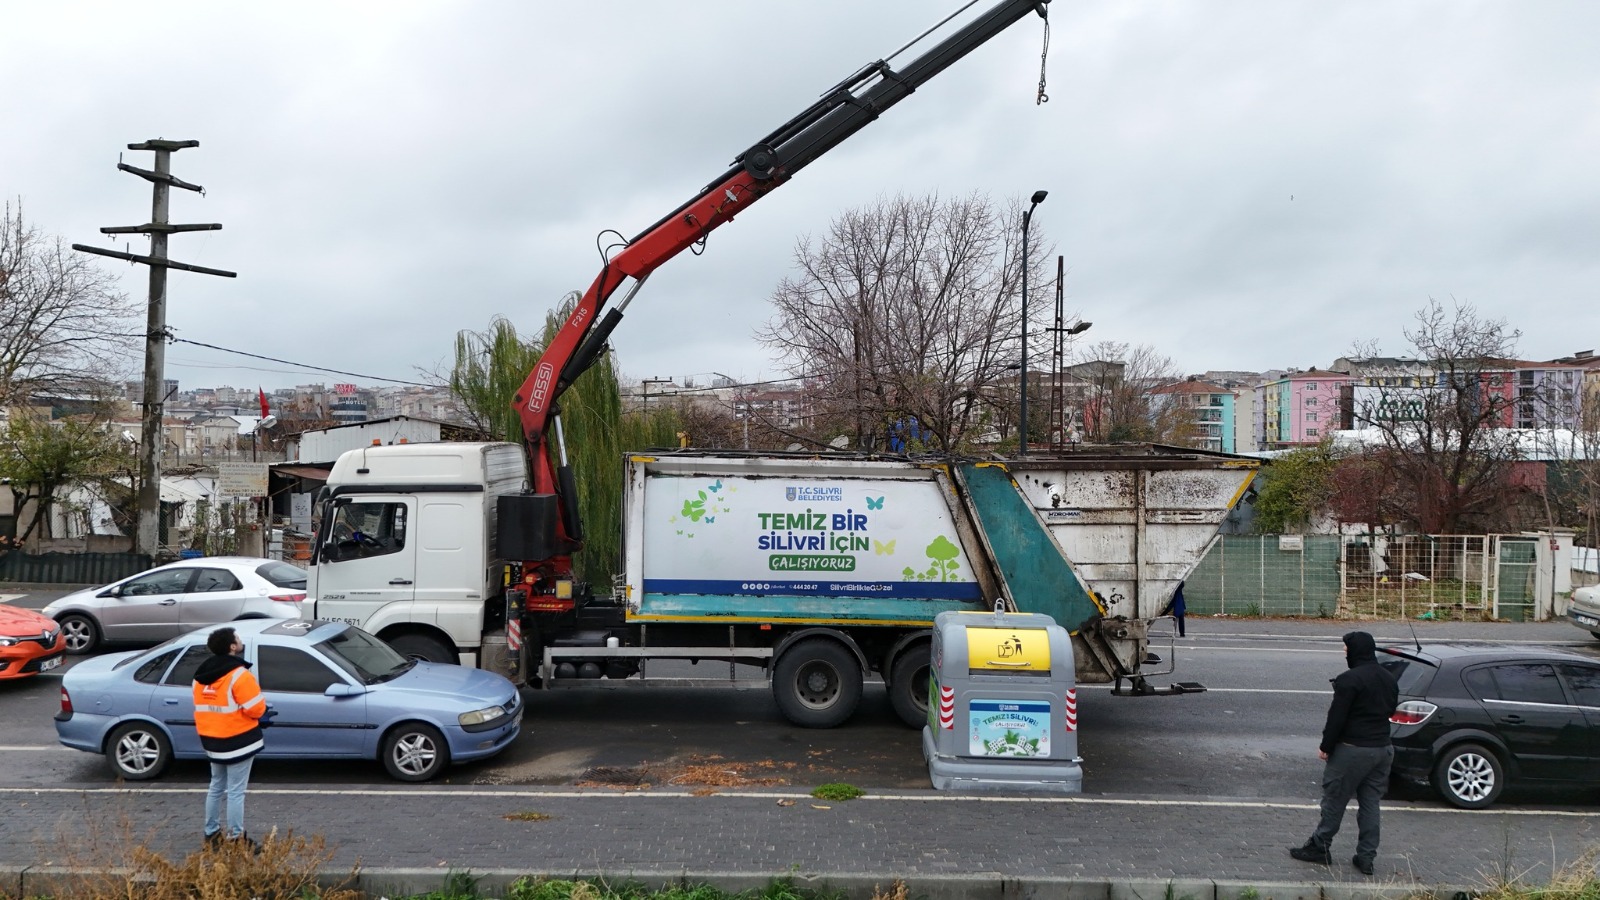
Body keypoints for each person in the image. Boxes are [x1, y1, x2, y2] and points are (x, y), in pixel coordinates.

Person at [1289, 631, 1399, 876]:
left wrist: (1326, 747)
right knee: (1370, 804)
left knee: (1334, 800)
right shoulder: (1389, 678)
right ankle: (1366, 857)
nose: (1344, 652)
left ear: (1356, 650)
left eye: (1346, 648)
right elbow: (1391, 709)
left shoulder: (1349, 680)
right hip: (1382, 749)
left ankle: (1320, 847)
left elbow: (1337, 718)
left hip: (1353, 749)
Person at [192, 626, 272, 850]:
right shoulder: (239, 675)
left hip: (212, 740)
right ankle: (236, 838)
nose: (240, 639)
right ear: (232, 647)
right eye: (237, 637)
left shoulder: (200, 677)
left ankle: (211, 834)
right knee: (236, 791)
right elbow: (256, 709)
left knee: (216, 786)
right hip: (238, 741)